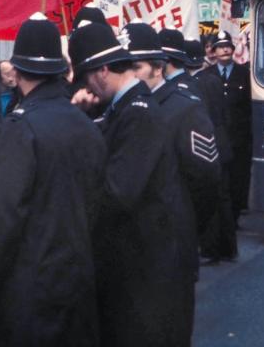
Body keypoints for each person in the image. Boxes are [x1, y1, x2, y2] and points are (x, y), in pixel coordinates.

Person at [0, 14, 106, 346]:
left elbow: (2, 219)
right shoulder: (86, 124)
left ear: (17, 70)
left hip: (27, 290)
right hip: (77, 282)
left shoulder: (21, 128)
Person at [69, 21, 188, 347]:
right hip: (133, 261)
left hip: (139, 263)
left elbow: (117, 193)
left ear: (102, 71)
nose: (88, 88)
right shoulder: (122, 109)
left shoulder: (136, 114)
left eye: (87, 78)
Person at [122, 23, 218, 342]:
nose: (129, 75)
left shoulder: (184, 108)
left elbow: (205, 180)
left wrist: (185, 225)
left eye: (136, 66)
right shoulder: (121, 110)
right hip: (131, 248)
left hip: (172, 246)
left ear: (158, 67)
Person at [160, 31, 237, 263]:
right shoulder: (208, 81)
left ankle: (213, 246)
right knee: (222, 197)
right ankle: (226, 246)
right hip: (220, 141)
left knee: (213, 197)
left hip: (206, 144)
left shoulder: (191, 85)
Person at [199, 30, 252, 222]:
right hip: (215, 136)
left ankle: (235, 215)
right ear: (213, 51)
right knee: (219, 178)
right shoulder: (205, 75)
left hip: (239, 136)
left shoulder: (244, 74)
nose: (224, 50)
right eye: (220, 47)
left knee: (238, 178)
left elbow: (249, 106)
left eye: (227, 46)